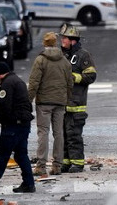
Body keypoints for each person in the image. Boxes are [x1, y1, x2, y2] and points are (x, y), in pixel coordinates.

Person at [0, 62, 36, 193]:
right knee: (21, 155)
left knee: (1, 155)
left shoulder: (7, 84)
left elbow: (4, 107)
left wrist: (5, 125)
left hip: (13, 126)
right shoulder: (18, 81)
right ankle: (29, 183)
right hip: (24, 124)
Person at [28, 32, 73, 177]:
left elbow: (34, 83)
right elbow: (69, 83)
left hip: (44, 102)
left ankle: (41, 166)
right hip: (60, 102)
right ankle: (57, 166)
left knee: (43, 133)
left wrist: (28, 100)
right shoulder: (64, 61)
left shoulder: (40, 60)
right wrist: (66, 99)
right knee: (58, 133)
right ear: (56, 43)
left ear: (44, 43)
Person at [59, 23, 97, 173]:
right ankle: (66, 162)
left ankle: (77, 163)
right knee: (62, 135)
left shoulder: (83, 55)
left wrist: (74, 77)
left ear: (73, 40)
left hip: (76, 104)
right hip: (62, 104)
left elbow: (91, 76)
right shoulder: (61, 55)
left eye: (65, 38)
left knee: (74, 135)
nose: (62, 40)